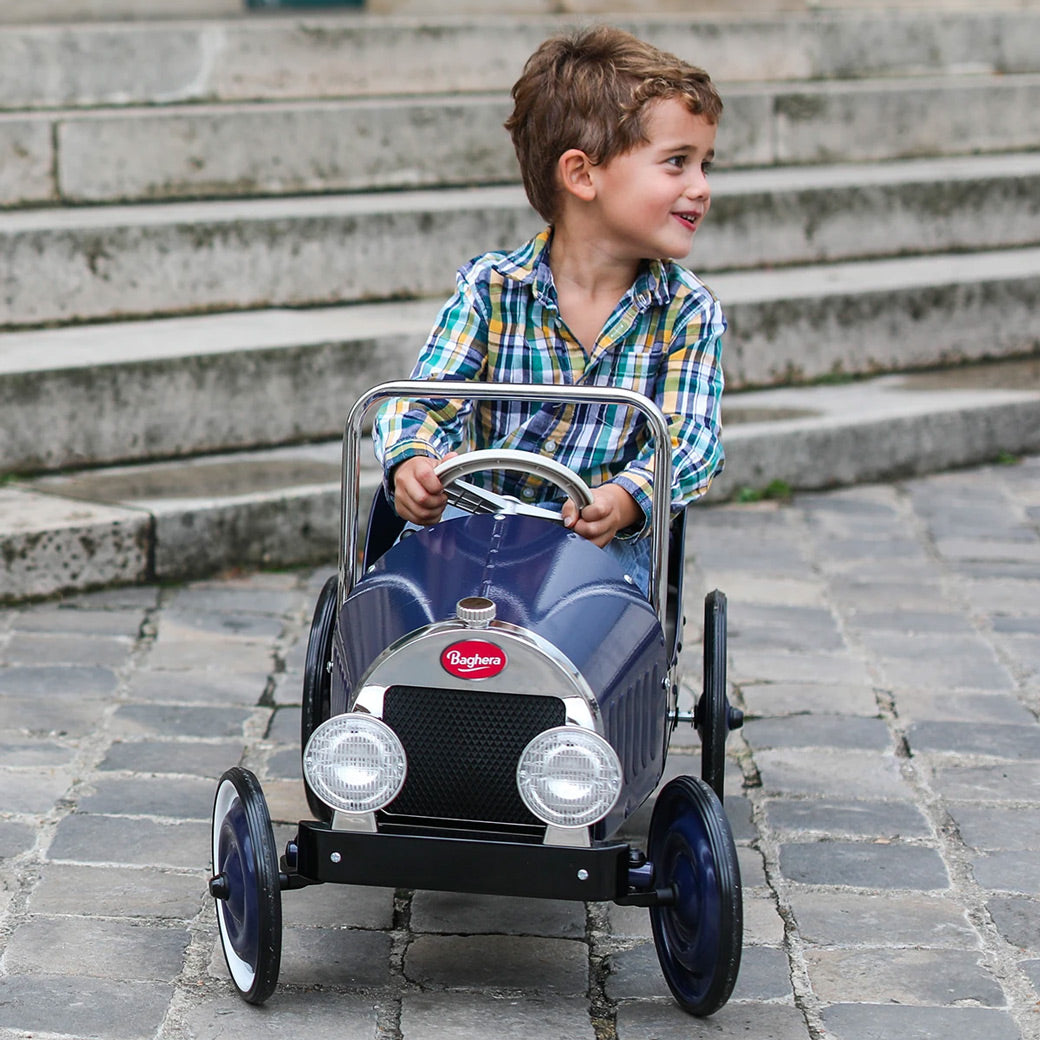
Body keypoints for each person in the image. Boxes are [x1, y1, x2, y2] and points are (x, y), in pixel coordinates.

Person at [373, 25, 726, 594]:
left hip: (597, 550)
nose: (701, 186)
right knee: (410, 591)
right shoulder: (492, 290)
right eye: (677, 162)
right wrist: (413, 461)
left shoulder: (687, 312)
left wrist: (625, 498)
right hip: (475, 525)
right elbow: (423, 401)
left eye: (706, 164)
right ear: (583, 175)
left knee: (599, 609)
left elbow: (691, 440)